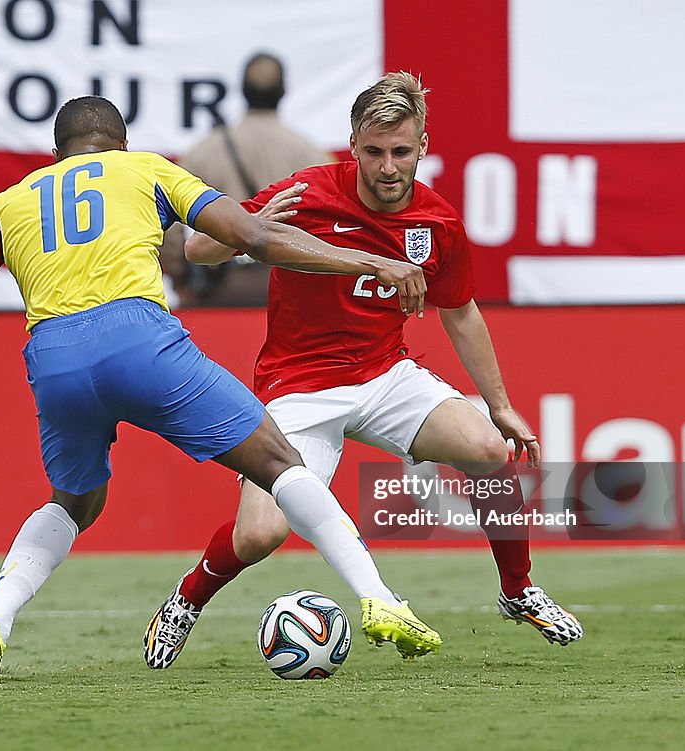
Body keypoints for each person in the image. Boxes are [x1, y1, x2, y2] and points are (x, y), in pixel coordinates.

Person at [0, 95, 442, 685]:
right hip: (139, 341)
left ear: (56, 154)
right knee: (280, 461)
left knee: (74, 503)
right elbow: (253, 237)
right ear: (121, 145)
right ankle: (380, 599)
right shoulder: (146, 169)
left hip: (54, 358)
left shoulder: (8, 203)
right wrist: (371, 263)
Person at [144, 72, 583, 668]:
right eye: (374, 151)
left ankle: (517, 589)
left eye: (401, 151)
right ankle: (188, 598)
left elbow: (459, 312)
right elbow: (197, 250)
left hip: (384, 375)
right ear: (352, 144)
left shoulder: (438, 222)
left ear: (422, 145)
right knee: (259, 534)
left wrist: (500, 405)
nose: (387, 166)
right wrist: (254, 228)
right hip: (298, 385)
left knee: (486, 448)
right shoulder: (306, 192)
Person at [170, 52, 333, 306]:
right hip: (290, 286)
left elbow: (170, 219)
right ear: (284, 91)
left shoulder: (202, 152)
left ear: (242, 90)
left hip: (220, 289)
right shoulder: (312, 155)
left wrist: (180, 277)